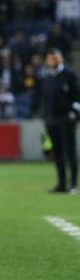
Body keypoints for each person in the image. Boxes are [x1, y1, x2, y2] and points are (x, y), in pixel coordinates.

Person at [41, 48, 79, 194]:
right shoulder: (48, 77)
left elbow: (77, 95)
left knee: (70, 152)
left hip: (67, 118)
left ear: (60, 59)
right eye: (50, 58)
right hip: (52, 119)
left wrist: (74, 112)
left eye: (55, 58)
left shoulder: (69, 75)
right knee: (57, 153)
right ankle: (61, 184)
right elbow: (46, 98)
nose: (52, 61)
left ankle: (73, 184)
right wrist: (46, 116)